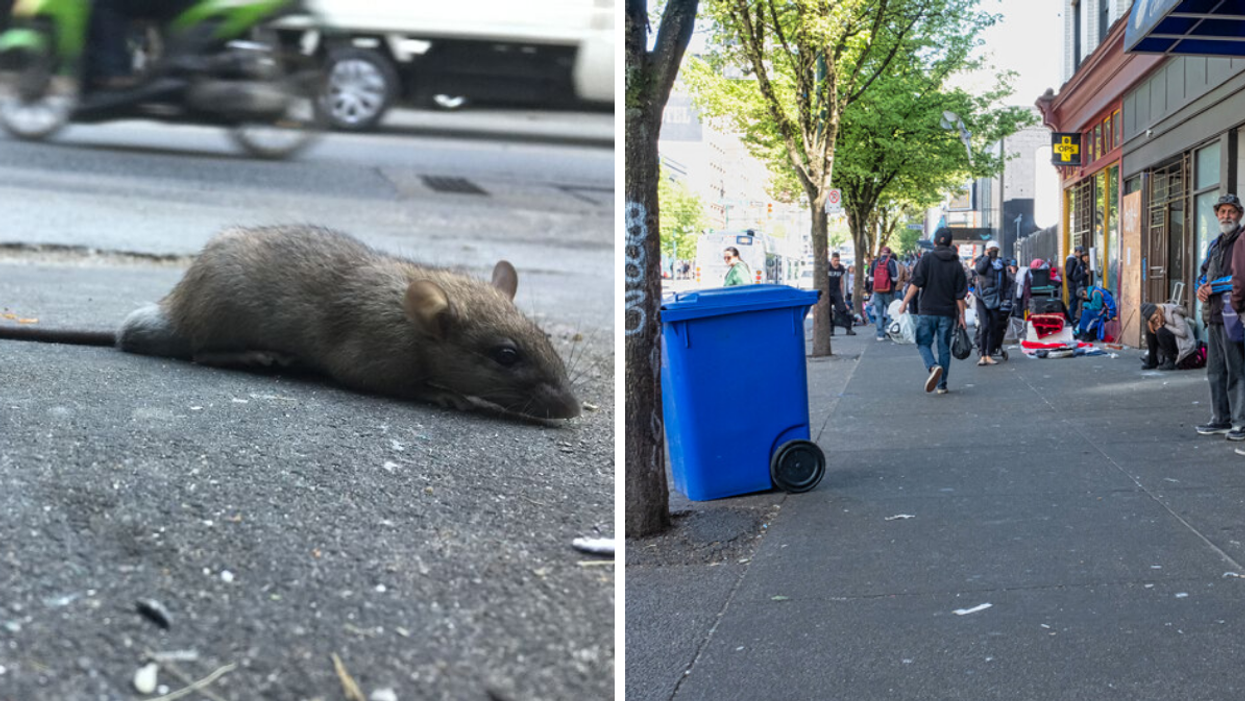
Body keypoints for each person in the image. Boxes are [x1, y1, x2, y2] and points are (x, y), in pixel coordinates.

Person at [1197, 193, 1245, 439]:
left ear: (1240, 214)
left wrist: (1211, 287)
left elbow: (1239, 280)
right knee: (1215, 370)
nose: (1226, 216)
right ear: (1217, 215)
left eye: (1231, 211)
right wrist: (1200, 286)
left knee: (1237, 370)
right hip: (1214, 315)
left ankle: (1241, 422)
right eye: (1222, 212)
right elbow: (1204, 272)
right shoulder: (1216, 244)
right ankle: (1220, 419)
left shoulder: (1243, 240)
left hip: (1235, 315)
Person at [897, 228, 968, 394]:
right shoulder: (956, 264)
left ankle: (933, 366)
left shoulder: (926, 259)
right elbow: (960, 295)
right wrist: (962, 316)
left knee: (922, 343)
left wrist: (904, 303)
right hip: (947, 312)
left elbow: (915, 284)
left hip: (927, 310)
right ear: (951, 243)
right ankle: (942, 385)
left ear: (935, 242)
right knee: (943, 347)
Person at [973, 240, 1012, 365]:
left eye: (995, 249)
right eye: (991, 249)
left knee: (993, 326)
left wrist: (1005, 296)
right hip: (982, 298)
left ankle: (989, 355)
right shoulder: (982, 261)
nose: (993, 251)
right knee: (984, 327)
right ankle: (982, 355)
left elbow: (1006, 282)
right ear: (987, 250)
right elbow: (979, 270)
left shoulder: (1001, 265)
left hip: (996, 298)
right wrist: (986, 257)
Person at [1141, 302, 1197, 371]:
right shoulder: (1157, 317)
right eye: (1153, 320)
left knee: (1160, 331)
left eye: (1156, 317)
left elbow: (1183, 333)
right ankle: (1153, 360)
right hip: (1173, 342)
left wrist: (1166, 325)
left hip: (1183, 344)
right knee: (1150, 331)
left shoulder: (1173, 313)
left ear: (1158, 311)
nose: (1156, 320)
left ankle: (1170, 361)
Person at [869, 247, 900, 341]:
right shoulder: (891, 262)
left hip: (877, 291)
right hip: (888, 291)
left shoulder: (875, 262)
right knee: (890, 312)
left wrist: (873, 288)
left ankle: (880, 334)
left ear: (881, 253)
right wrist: (892, 286)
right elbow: (895, 278)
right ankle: (888, 329)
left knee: (879, 313)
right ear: (889, 254)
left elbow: (870, 278)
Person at [826, 252, 856, 336]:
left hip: (836, 291)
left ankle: (848, 329)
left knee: (842, 310)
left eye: (838, 260)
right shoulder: (827, 267)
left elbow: (841, 281)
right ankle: (831, 330)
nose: (837, 262)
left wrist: (842, 295)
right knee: (828, 312)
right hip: (828, 291)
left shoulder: (841, 268)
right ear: (831, 259)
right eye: (835, 260)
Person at [1065, 245, 1087, 323]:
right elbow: (1069, 274)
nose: (1081, 255)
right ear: (1077, 252)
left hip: (1073, 285)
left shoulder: (1073, 260)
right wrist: (1076, 279)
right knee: (1073, 303)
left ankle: (1070, 318)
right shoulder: (1072, 260)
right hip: (1073, 286)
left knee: (1074, 303)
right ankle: (1070, 320)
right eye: (1081, 253)